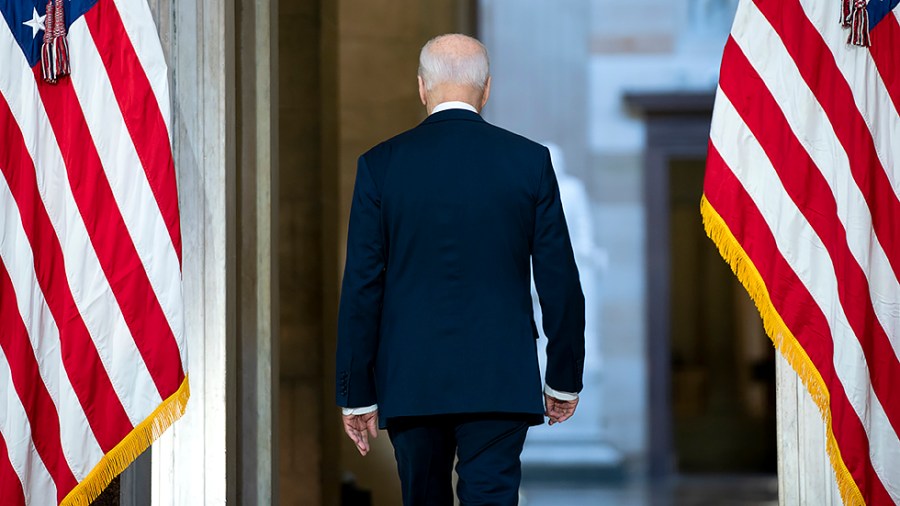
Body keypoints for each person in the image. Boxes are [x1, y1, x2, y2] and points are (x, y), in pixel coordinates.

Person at [335, 33, 585, 506]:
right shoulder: (529, 162)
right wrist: (563, 377)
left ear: (422, 88)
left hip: (412, 380)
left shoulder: (380, 166)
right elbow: (561, 283)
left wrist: (357, 391)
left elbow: (363, 286)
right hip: (500, 378)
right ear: (486, 89)